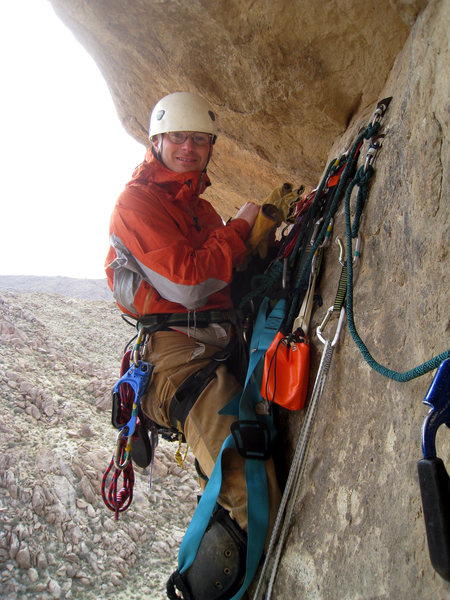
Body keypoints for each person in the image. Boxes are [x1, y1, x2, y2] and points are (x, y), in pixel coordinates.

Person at [105, 91, 281, 599]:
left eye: (199, 139)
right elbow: (188, 284)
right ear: (156, 142)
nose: (188, 147)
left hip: (215, 345)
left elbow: (224, 278)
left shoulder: (200, 210)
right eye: (177, 138)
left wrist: (254, 242)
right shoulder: (136, 203)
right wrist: (240, 229)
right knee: (254, 493)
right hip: (177, 361)